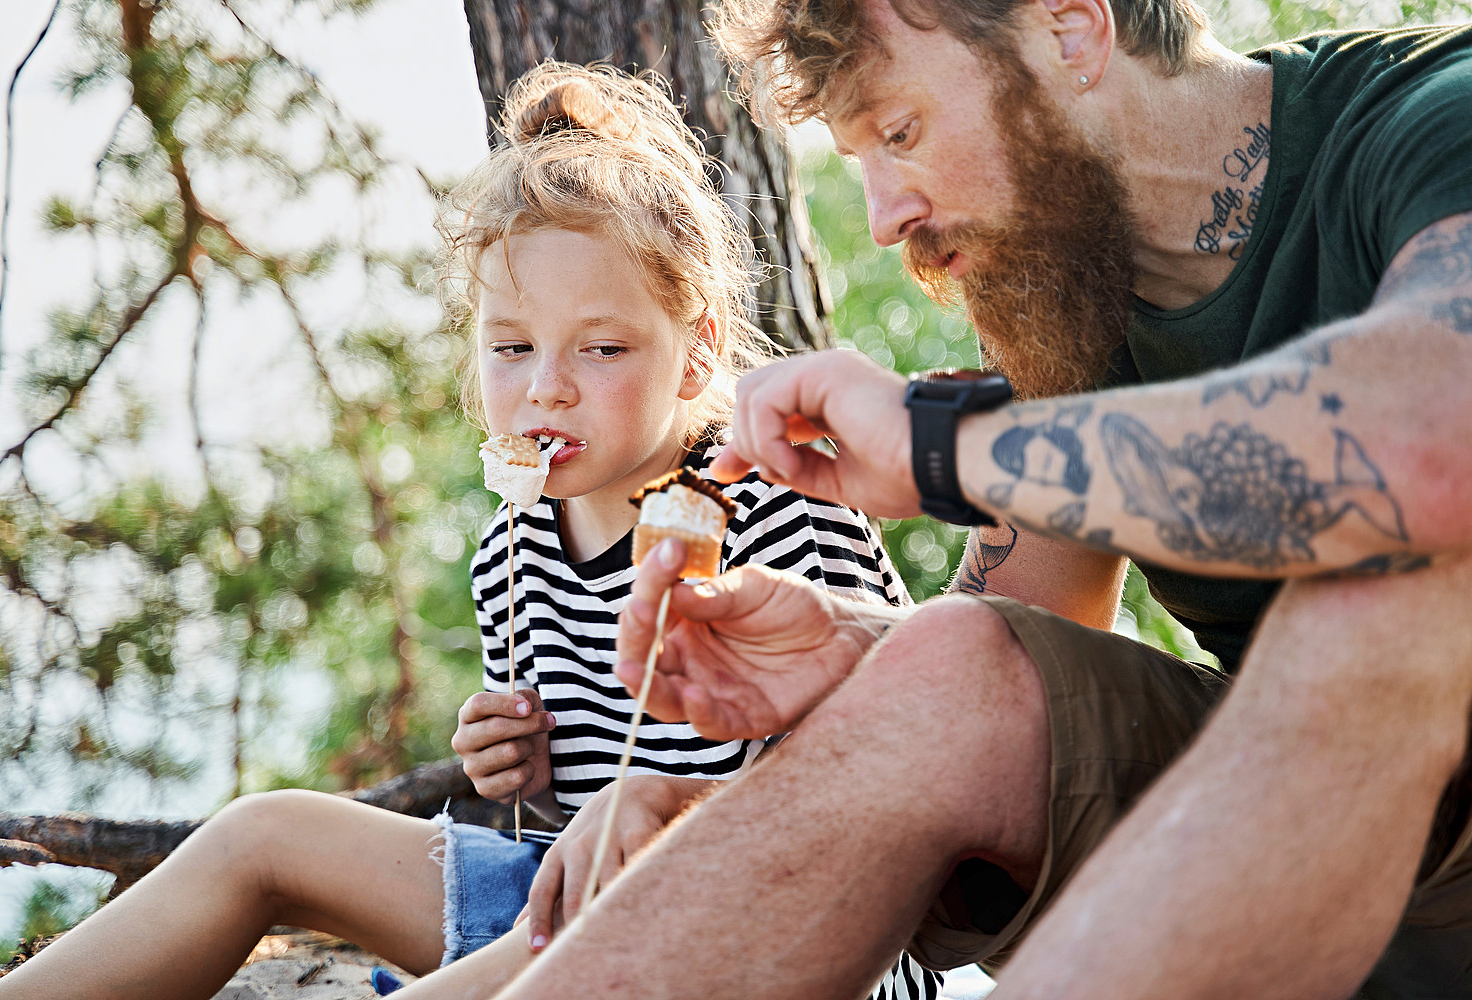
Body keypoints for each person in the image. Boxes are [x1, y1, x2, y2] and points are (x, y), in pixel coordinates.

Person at [478, 3, 1472, 999]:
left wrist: (945, 444)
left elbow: (1434, 441)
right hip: (1313, 833)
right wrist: (862, 659)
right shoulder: (1068, 288)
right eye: (858, 157)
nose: (881, 218)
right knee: (947, 654)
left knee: (1380, 590)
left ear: (1072, 30)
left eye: (900, 133)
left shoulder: (1437, 120)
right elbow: (1014, 658)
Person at [0, 63, 939, 1000]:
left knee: (593, 918)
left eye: (601, 348)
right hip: (566, 910)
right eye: (511, 347)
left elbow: (887, 780)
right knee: (263, 832)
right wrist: (522, 772)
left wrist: (672, 823)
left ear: (698, 351)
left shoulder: (776, 501)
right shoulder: (512, 552)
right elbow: (561, 835)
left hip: (793, 935)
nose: (545, 386)